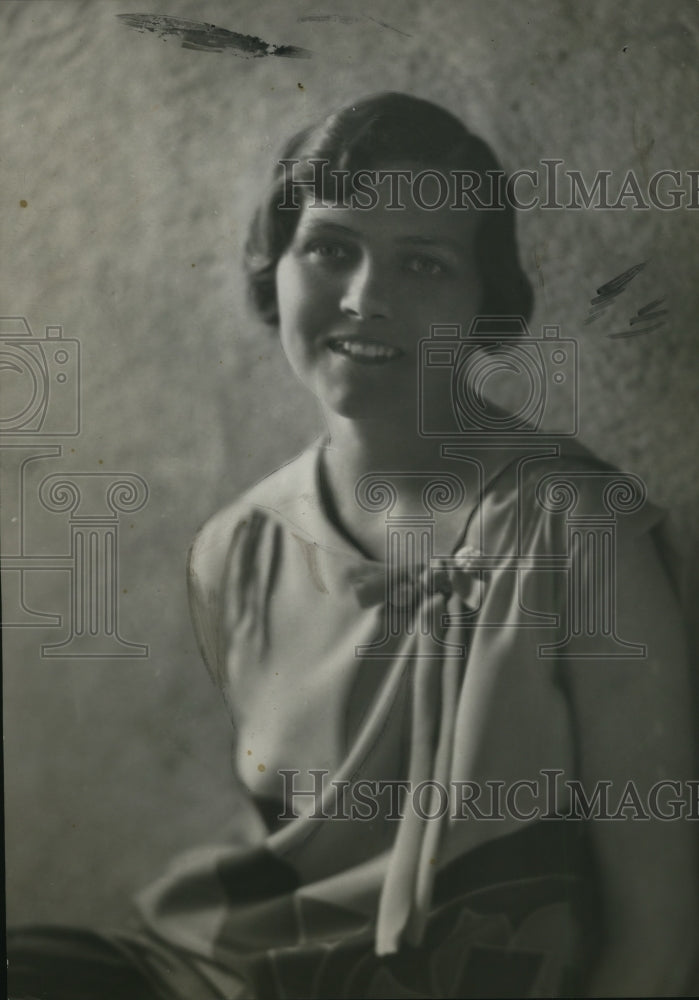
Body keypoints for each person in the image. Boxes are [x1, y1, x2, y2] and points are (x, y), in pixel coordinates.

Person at [8, 92, 698, 999]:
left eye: (423, 262)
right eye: (330, 248)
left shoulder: (578, 529)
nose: (367, 298)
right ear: (275, 272)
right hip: (216, 973)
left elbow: (660, 947)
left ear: (486, 302)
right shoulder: (239, 549)